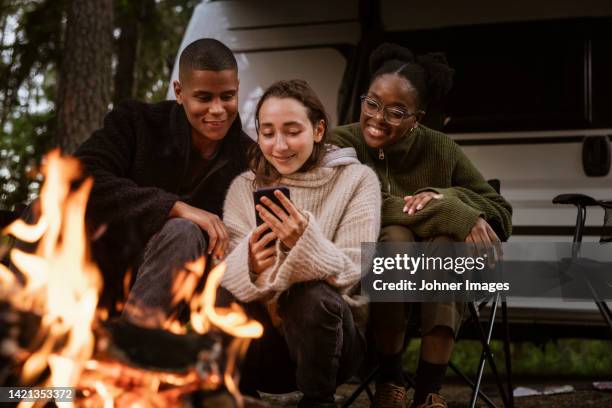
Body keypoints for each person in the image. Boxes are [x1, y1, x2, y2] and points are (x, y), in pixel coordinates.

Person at [328, 43, 513, 408]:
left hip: (438, 273)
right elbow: (358, 204)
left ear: (418, 118)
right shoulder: (342, 142)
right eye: (372, 103)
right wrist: (454, 215)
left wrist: (448, 199)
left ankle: (429, 392)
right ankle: (390, 380)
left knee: (447, 245)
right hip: (369, 273)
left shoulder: (440, 149)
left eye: (397, 112)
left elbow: (499, 209)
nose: (379, 118)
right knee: (395, 240)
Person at [219, 79, 381, 407]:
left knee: (310, 297)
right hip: (263, 347)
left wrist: (302, 243)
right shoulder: (243, 188)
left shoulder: (357, 181)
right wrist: (249, 263)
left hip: (331, 345)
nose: (279, 145)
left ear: (318, 130)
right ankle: (239, 396)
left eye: (292, 131)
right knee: (218, 294)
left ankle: (318, 401)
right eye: (267, 133)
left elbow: (355, 270)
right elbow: (223, 273)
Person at [73, 38, 254, 325]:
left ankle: (130, 356)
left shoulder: (249, 159)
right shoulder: (136, 121)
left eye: (227, 97)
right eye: (204, 98)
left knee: (184, 233)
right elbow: (78, 175)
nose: (218, 110)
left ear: (238, 89)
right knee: (38, 209)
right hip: (98, 268)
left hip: (182, 295)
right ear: (179, 92)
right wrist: (174, 207)